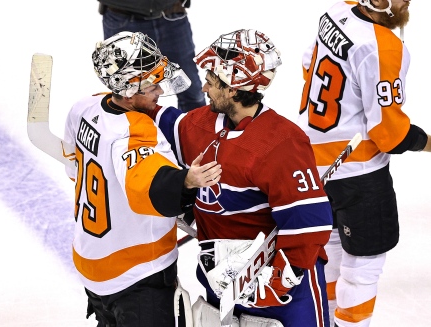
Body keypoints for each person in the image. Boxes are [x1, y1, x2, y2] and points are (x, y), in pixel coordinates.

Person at [150, 29, 333, 327]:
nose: (205, 88)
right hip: (219, 281)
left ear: (233, 89)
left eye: (211, 81)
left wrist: (278, 283)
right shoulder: (200, 125)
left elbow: (310, 223)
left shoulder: (281, 144)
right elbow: (161, 118)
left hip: (276, 293)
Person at [63, 31, 222, 327]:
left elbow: (73, 167)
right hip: (136, 276)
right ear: (127, 90)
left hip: (90, 260)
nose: (159, 91)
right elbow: (151, 192)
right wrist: (187, 181)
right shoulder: (136, 131)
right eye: (151, 85)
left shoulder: (84, 107)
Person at [297, 1, 431, 326]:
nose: (406, 2)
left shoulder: (334, 12)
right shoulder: (382, 46)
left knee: (329, 258)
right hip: (359, 177)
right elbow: (391, 136)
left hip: (311, 164)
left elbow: (306, 65)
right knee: (362, 270)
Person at [96, 0, 206, 112]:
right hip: (122, 15)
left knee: (193, 95)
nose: (161, 91)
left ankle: (198, 129)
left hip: (172, 14)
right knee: (128, 96)